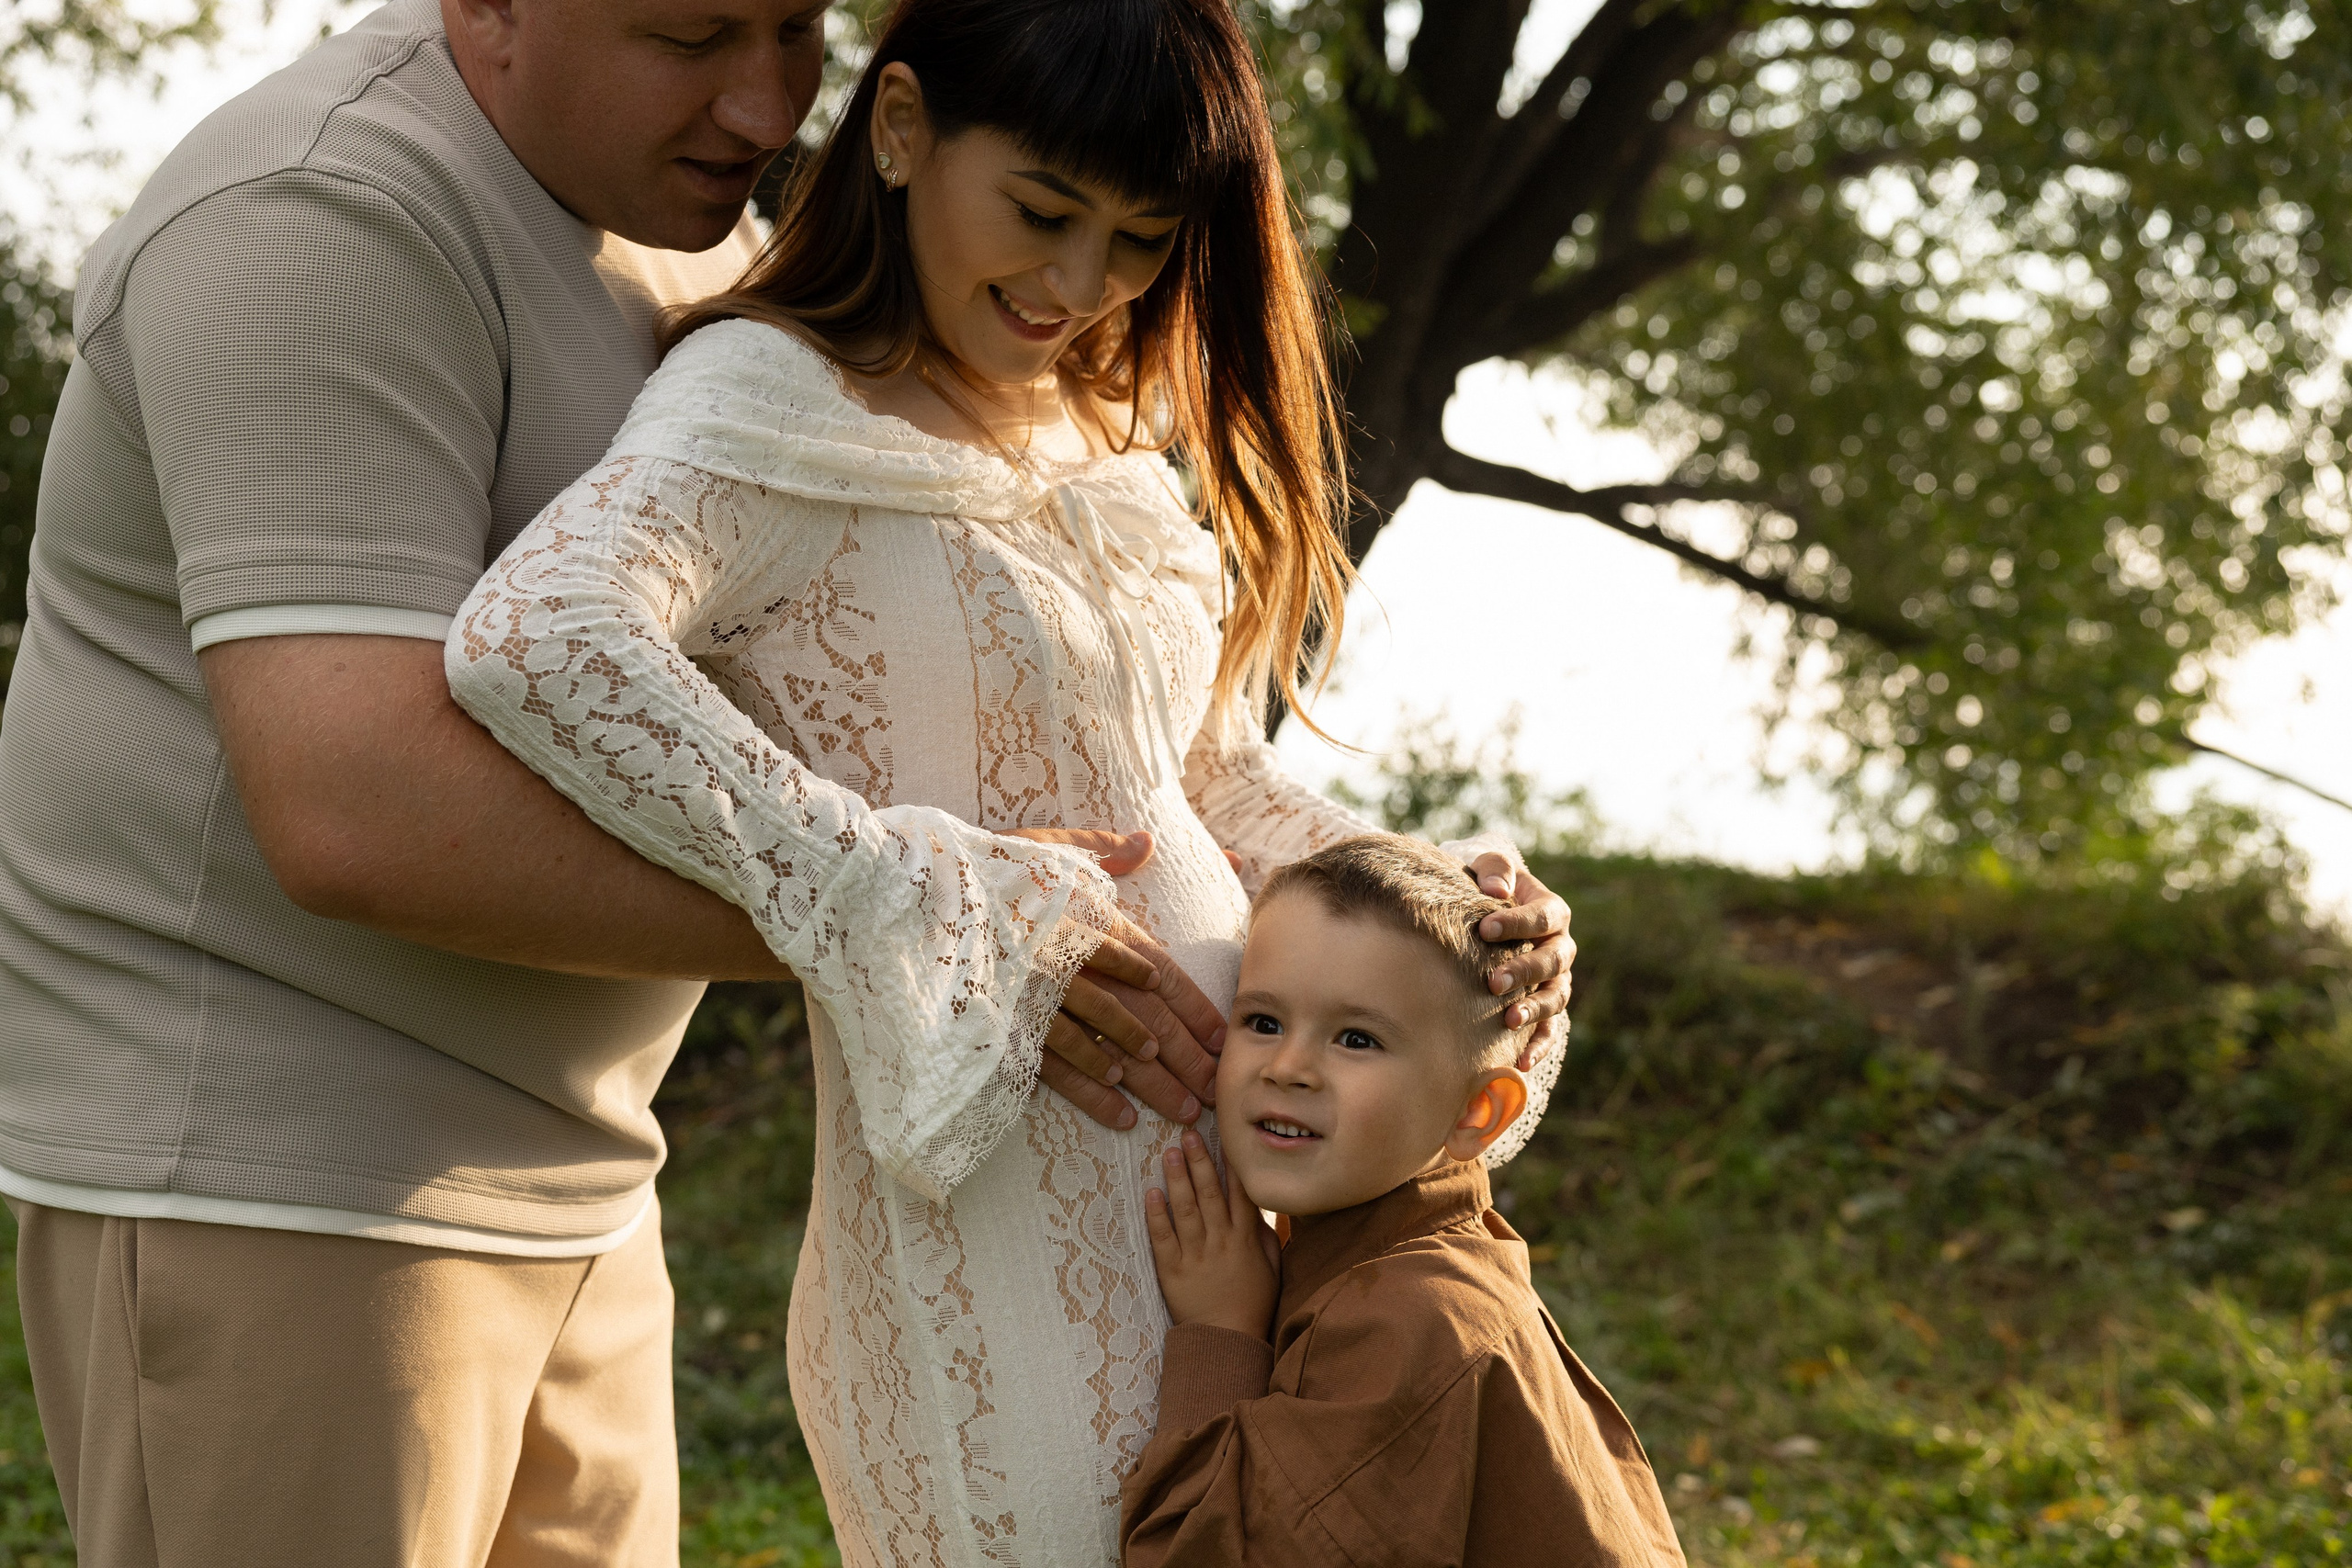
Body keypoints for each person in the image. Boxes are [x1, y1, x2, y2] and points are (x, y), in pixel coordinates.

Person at [443, 1, 1575, 1562]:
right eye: (1041, 213)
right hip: (992, 1234)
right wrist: (896, 884)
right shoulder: (772, 399)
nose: (1076, 285)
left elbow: (1202, 780)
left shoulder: (1096, 426)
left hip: (1225, 1233)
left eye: (1136, 240)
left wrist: (1448, 904)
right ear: (901, 130)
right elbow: (536, 635)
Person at [0, 2, 877, 1562]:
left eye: (800, 27)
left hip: (582, 1184)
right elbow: (359, 807)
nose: (766, 104)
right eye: (690, 33)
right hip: (288, 1197)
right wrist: (894, 913)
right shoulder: (322, 209)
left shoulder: (681, 234)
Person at [1123, 836, 1686, 1567]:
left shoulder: (1400, 1322)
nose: (1288, 1067)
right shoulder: (1437, 1258)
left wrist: (1222, 1332)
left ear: (1478, 1112)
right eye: (1262, 1020)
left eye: (1356, 1038)